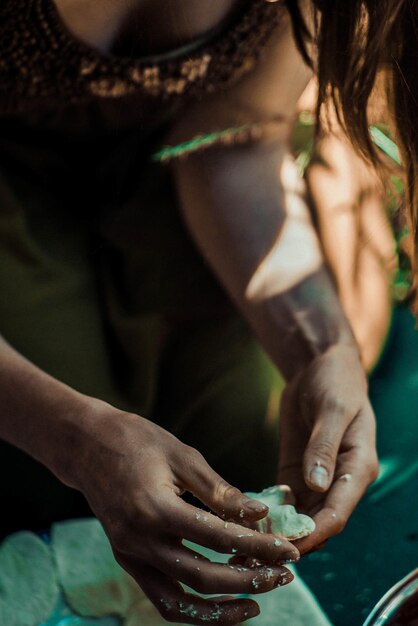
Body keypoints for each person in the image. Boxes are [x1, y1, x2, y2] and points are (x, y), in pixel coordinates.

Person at [0, 0, 393, 623]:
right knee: (42, 488)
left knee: (248, 454)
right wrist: (69, 436)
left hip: (178, 149)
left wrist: (322, 348)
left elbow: (234, 147)